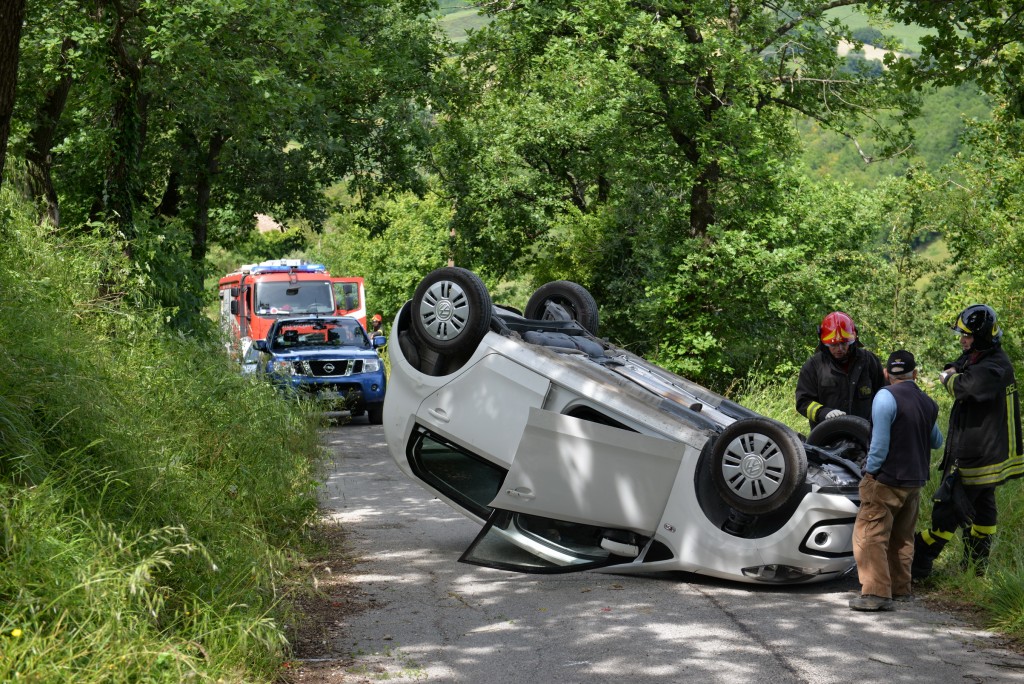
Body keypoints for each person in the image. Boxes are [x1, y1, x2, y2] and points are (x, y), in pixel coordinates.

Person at [912, 304, 1024, 578]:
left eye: (968, 336)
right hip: (989, 452)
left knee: (949, 508)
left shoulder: (993, 368)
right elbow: (966, 361)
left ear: (983, 336)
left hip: (979, 454)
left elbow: (964, 387)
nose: (963, 340)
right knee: (984, 511)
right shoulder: (989, 356)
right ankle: (975, 569)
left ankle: (918, 562)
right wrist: (955, 367)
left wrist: (948, 378)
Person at [850, 350, 943, 611]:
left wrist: (869, 470)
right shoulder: (928, 403)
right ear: (915, 374)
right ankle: (902, 589)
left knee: (870, 535)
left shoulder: (884, 396)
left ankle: (876, 594)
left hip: (886, 480)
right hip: (915, 481)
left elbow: (879, 445)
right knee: (902, 538)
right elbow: (937, 441)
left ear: (886, 374)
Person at [796, 311, 886, 430]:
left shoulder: (868, 361)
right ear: (824, 343)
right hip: (827, 436)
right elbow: (803, 402)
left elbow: (883, 394)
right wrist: (823, 413)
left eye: (844, 344)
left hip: (865, 433)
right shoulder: (813, 366)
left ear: (853, 339)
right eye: (833, 345)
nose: (839, 349)